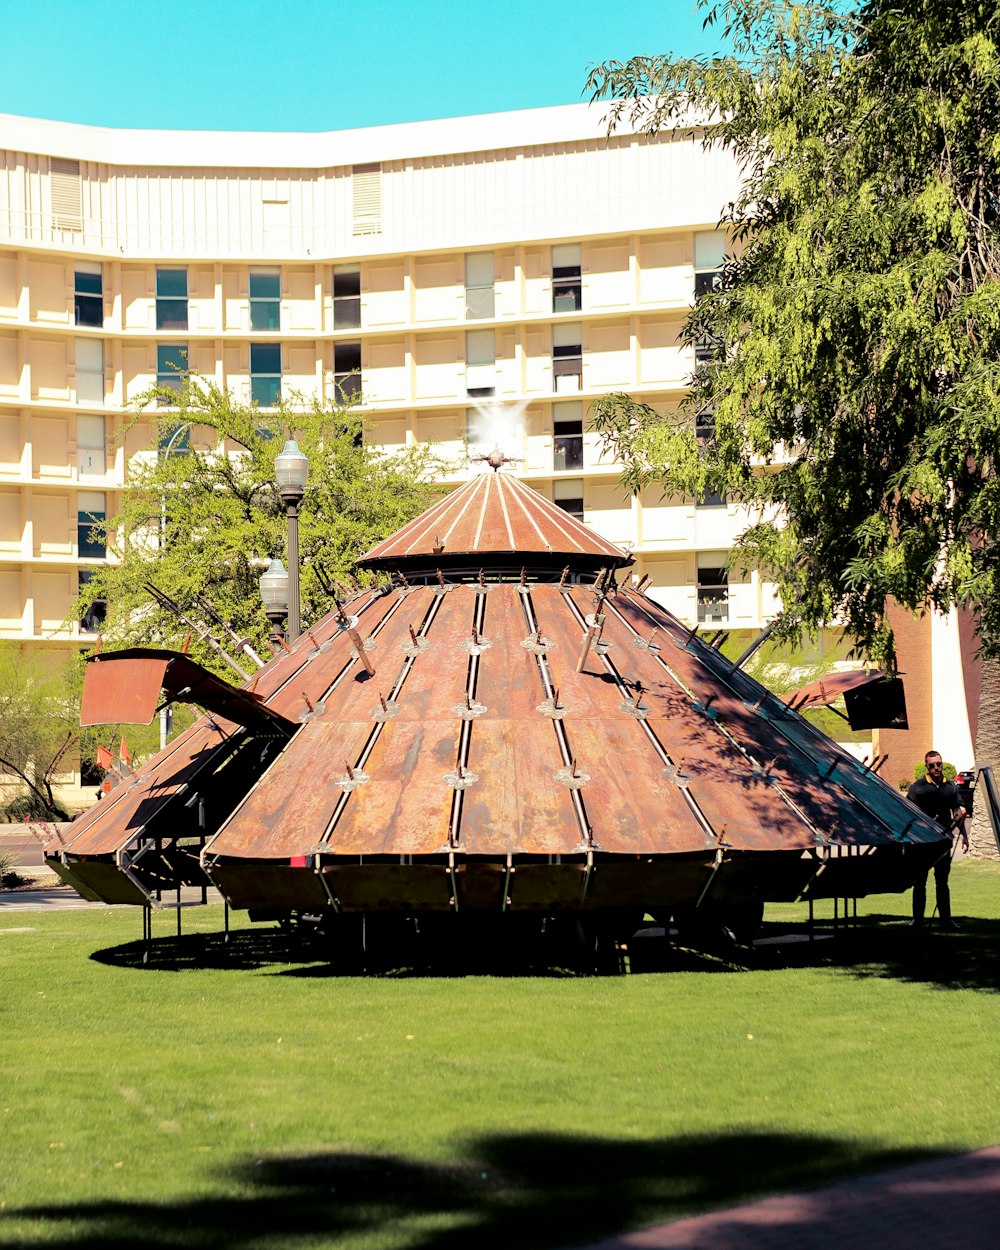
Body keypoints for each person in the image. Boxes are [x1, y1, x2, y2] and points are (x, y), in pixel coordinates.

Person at [907, 750, 969, 929]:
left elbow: (957, 813)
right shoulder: (917, 788)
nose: (936, 768)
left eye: (939, 764)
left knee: (942, 882)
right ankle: (917, 920)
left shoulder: (950, 787)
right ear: (926, 766)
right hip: (922, 843)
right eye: (932, 765)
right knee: (920, 883)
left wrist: (964, 836)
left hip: (943, 842)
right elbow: (908, 813)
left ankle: (946, 920)